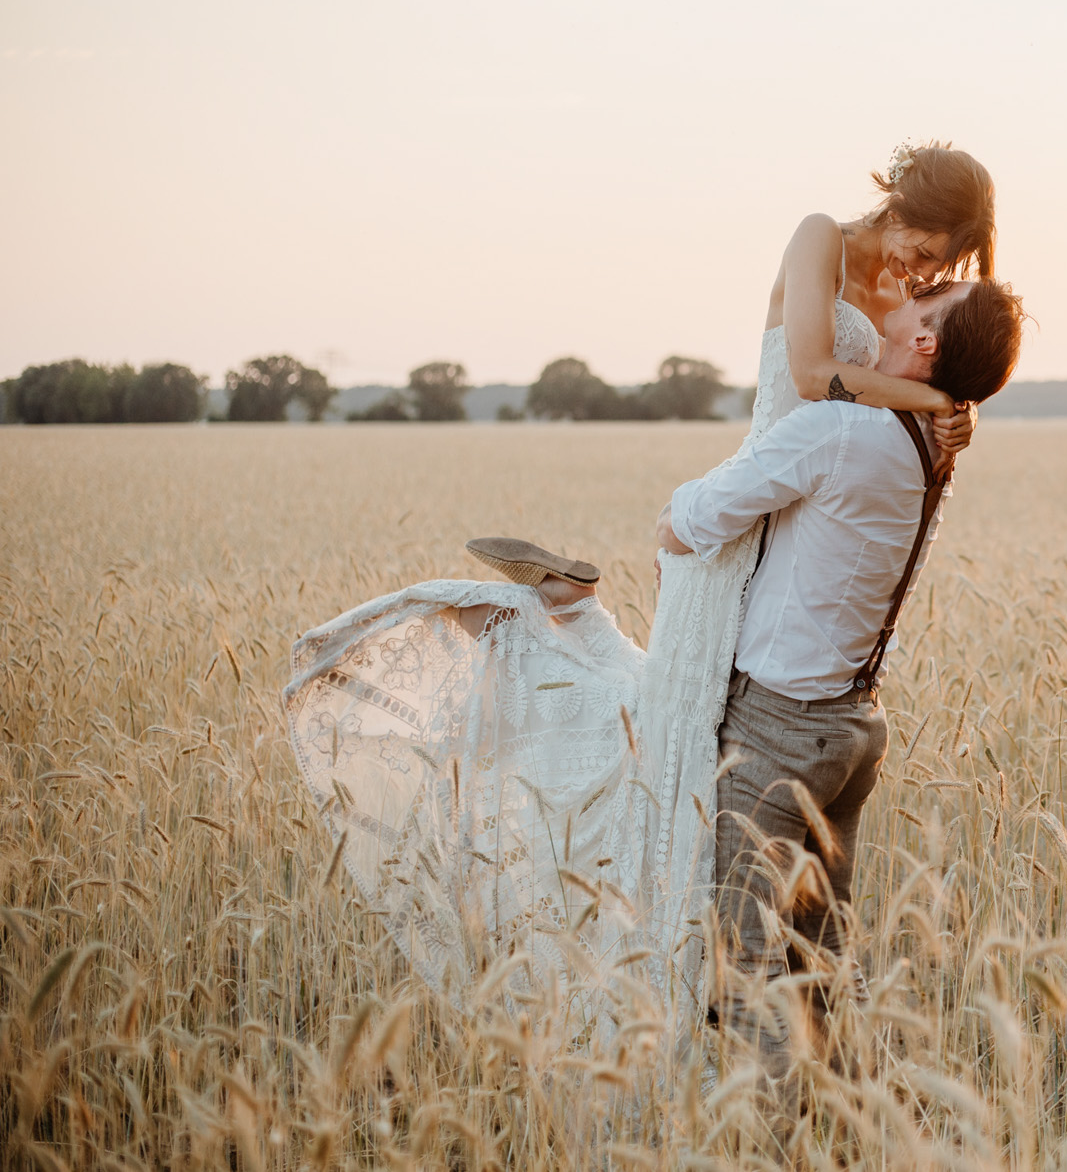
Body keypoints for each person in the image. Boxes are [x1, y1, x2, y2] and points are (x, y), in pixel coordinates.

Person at [280, 144, 997, 1036]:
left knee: (676, 756)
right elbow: (815, 379)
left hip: (797, 533)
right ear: (900, 202)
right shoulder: (821, 239)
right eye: (926, 247)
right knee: (667, 747)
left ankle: (570, 613)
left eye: (942, 267)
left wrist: (944, 403)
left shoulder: (910, 309)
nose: (924, 271)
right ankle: (546, 624)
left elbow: (919, 384)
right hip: (746, 513)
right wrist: (929, 406)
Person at [658, 276, 1026, 1114]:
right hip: (855, 732)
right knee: (818, 964)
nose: (905, 291)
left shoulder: (837, 431)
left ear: (924, 342)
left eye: (929, 294)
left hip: (778, 732)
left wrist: (666, 521)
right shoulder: (937, 444)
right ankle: (848, 1132)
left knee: (738, 967)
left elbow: (699, 518)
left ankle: (776, 1143)